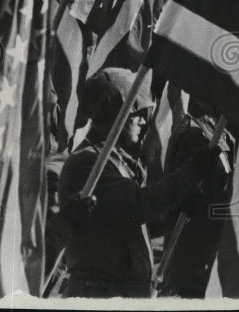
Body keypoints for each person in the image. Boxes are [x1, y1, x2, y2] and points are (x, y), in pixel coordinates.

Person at [57, 68, 224, 298]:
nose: (144, 122)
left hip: (119, 289)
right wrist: (191, 173)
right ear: (115, 114)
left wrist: (176, 210)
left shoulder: (118, 163)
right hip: (99, 290)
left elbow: (140, 225)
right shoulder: (87, 164)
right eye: (137, 114)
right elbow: (137, 206)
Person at [156, 102, 233, 298]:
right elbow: (193, 201)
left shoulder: (218, 132)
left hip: (204, 264)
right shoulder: (194, 136)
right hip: (191, 267)